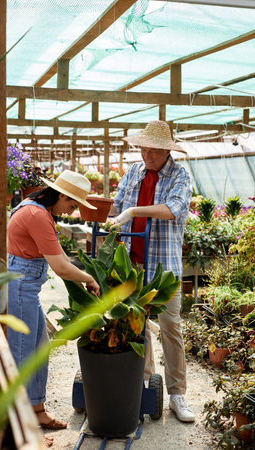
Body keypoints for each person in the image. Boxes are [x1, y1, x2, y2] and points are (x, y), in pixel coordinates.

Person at [110, 120, 195, 422]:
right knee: (137, 325)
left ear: (166, 150)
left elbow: (173, 209)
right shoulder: (133, 172)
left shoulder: (179, 176)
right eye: (143, 149)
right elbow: (115, 206)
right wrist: (107, 216)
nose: (146, 155)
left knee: (171, 327)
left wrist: (133, 212)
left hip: (164, 267)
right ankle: (146, 383)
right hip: (132, 264)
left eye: (152, 150)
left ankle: (177, 393)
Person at [7, 170, 100, 430]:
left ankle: (36, 411)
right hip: (20, 286)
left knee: (37, 349)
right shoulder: (37, 215)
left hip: (26, 286)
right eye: (72, 205)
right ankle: (21, 426)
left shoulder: (33, 207)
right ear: (59, 194)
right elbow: (60, 266)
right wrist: (89, 279)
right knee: (23, 355)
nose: (72, 211)